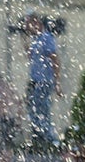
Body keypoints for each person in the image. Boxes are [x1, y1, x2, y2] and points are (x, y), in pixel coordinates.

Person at [23, 13, 61, 147]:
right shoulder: (37, 39)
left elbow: (55, 59)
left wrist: (56, 82)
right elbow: (30, 56)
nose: (27, 27)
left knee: (41, 109)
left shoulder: (46, 38)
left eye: (29, 24)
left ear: (37, 22)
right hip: (36, 80)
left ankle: (49, 139)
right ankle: (41, 138)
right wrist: (25, 38)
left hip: (44, 81)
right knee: (33, 108)